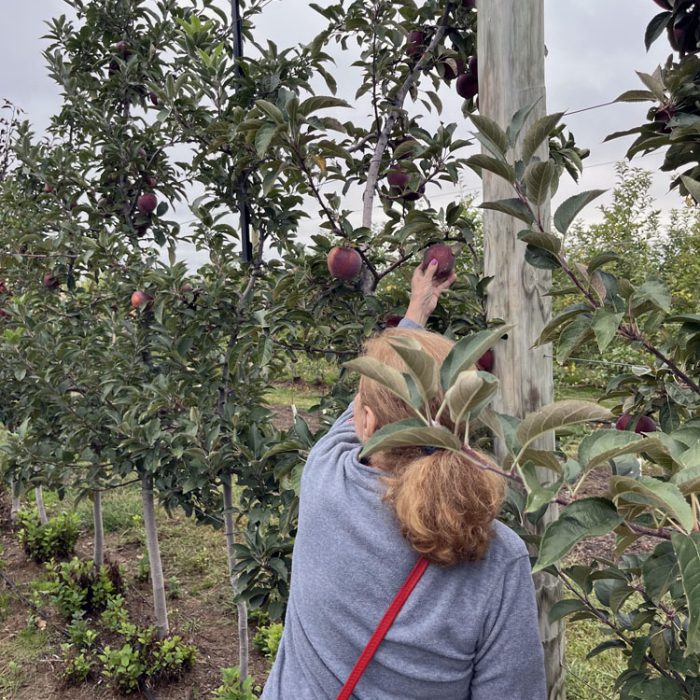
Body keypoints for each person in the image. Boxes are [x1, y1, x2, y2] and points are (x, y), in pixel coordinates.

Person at [261, 259, 547, 699]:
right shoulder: (498, 558)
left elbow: (365, 402)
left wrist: (418, 306)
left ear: (368, 423)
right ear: (465, 417)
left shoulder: (324, 477)